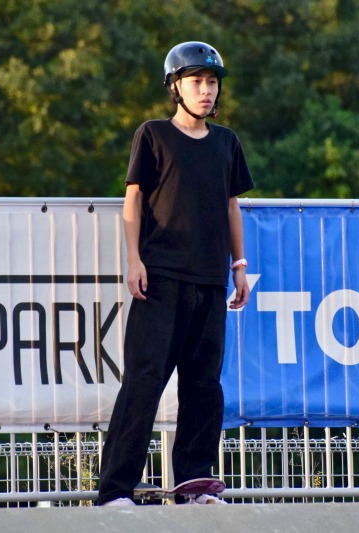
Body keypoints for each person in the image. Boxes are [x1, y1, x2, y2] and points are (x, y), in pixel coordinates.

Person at [95, 41, 254, 506]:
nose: (206, 90)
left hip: (210, 282)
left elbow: (231, 206)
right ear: (175, 87)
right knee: (143, 381)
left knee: (204, 387)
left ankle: (193, 482)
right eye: (196, 81)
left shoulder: (227, 142)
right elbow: (133, 200)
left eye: (212, 82)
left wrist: (239, 266)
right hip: (160, 279)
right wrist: (133, 259)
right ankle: (115, 489)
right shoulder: (153, 135)